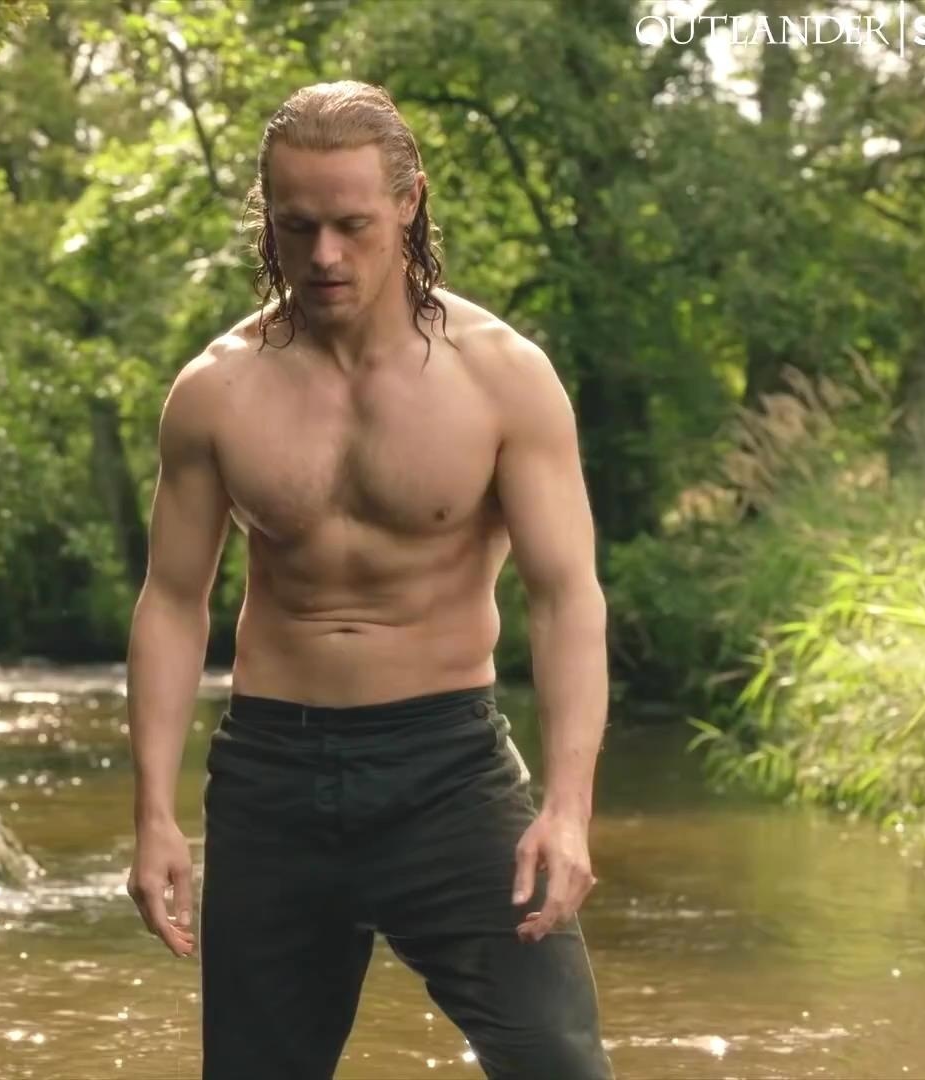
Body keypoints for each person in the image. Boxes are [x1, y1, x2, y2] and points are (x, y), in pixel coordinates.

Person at [122, 81, 615, 1080]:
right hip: (272, 776)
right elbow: (172, 603)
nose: (324, 256)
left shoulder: (502, 378)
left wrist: (568, 809)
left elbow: (566, 598)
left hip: (449, 772)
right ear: (267, 216)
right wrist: (153, 812)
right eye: (296, 226)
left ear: (408, 202)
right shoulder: (217, 390)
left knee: (559, 1066)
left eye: (351, 225)